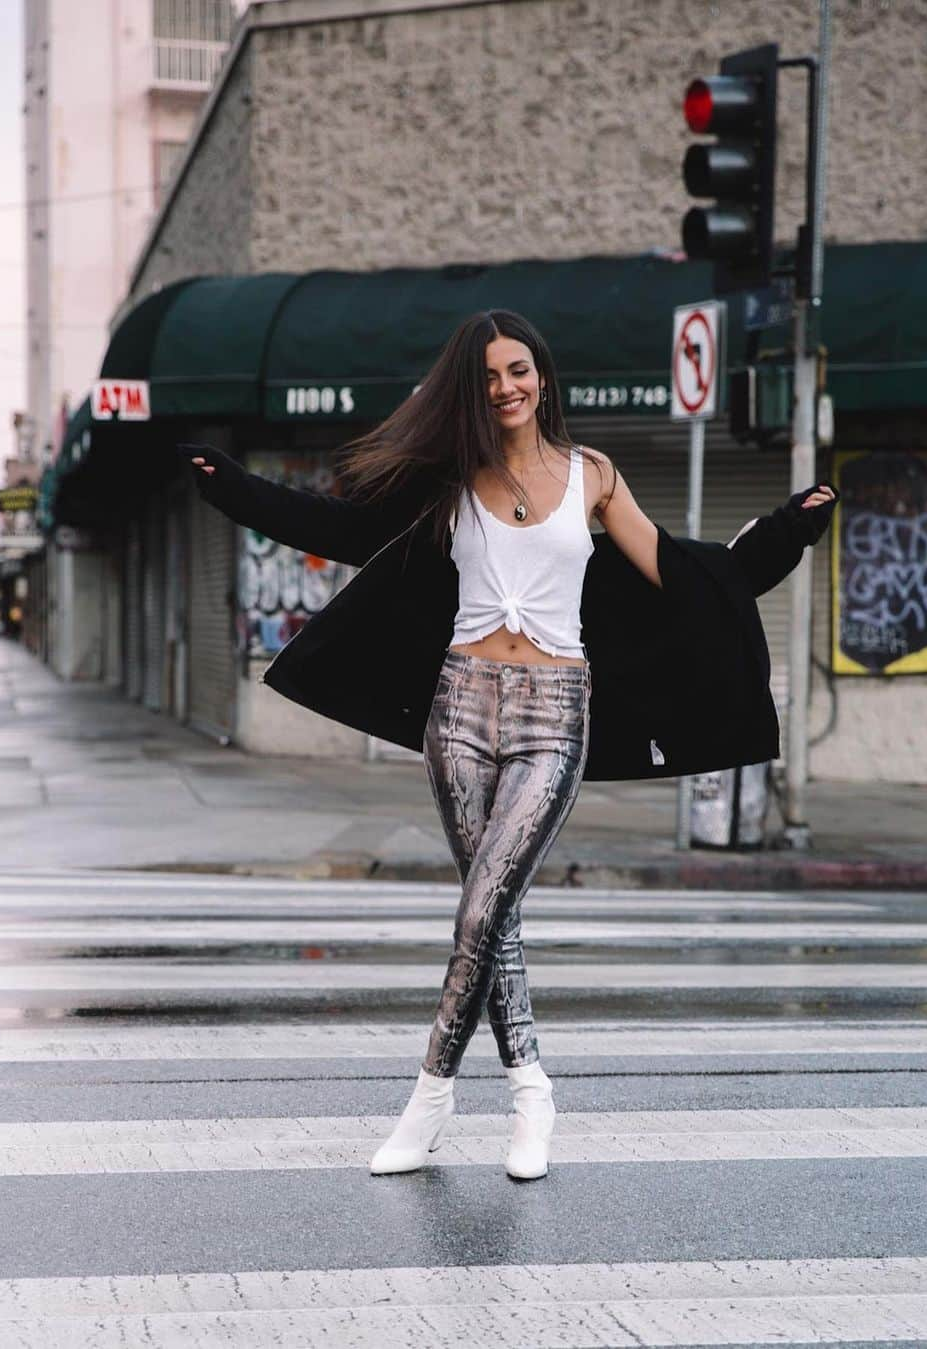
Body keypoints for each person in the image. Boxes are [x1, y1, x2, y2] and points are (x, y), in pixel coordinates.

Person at [177, 308, 837, 1182]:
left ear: (542, 377)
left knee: (481, 908)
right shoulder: (450, 482)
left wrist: (781, 533)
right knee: (498, 917)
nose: (506, 387)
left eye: (518, 370)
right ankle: (531, 1089)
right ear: (472, 390)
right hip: (458, 708)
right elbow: (336, 529)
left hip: (555, 711)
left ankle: (432, 1098)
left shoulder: (592, 476)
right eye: (489, 376)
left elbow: (676, 574)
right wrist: (230, 486)